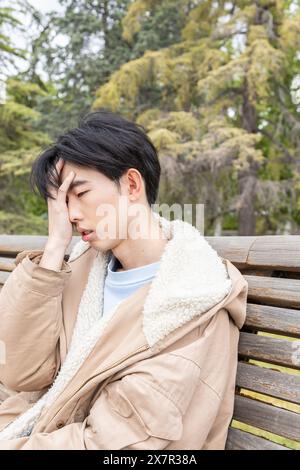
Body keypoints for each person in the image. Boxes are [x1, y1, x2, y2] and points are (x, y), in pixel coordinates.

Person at [0, 110, 248, 449]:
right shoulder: (84, 269)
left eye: (81, 193)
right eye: (62, 202)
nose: (70, 215)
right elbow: (19, 372)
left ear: (131, 185)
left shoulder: (190, 298)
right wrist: (56, 245)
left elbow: (114, 443)